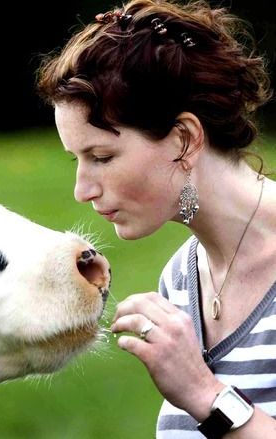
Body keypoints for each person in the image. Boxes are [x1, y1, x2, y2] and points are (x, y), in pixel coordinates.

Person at [36, 0, 276, 437]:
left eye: (102, 156)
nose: (82, 189)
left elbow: (206, 403)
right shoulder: (181, 282)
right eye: (77, 159)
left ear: (184, 139)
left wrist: (204, 393)